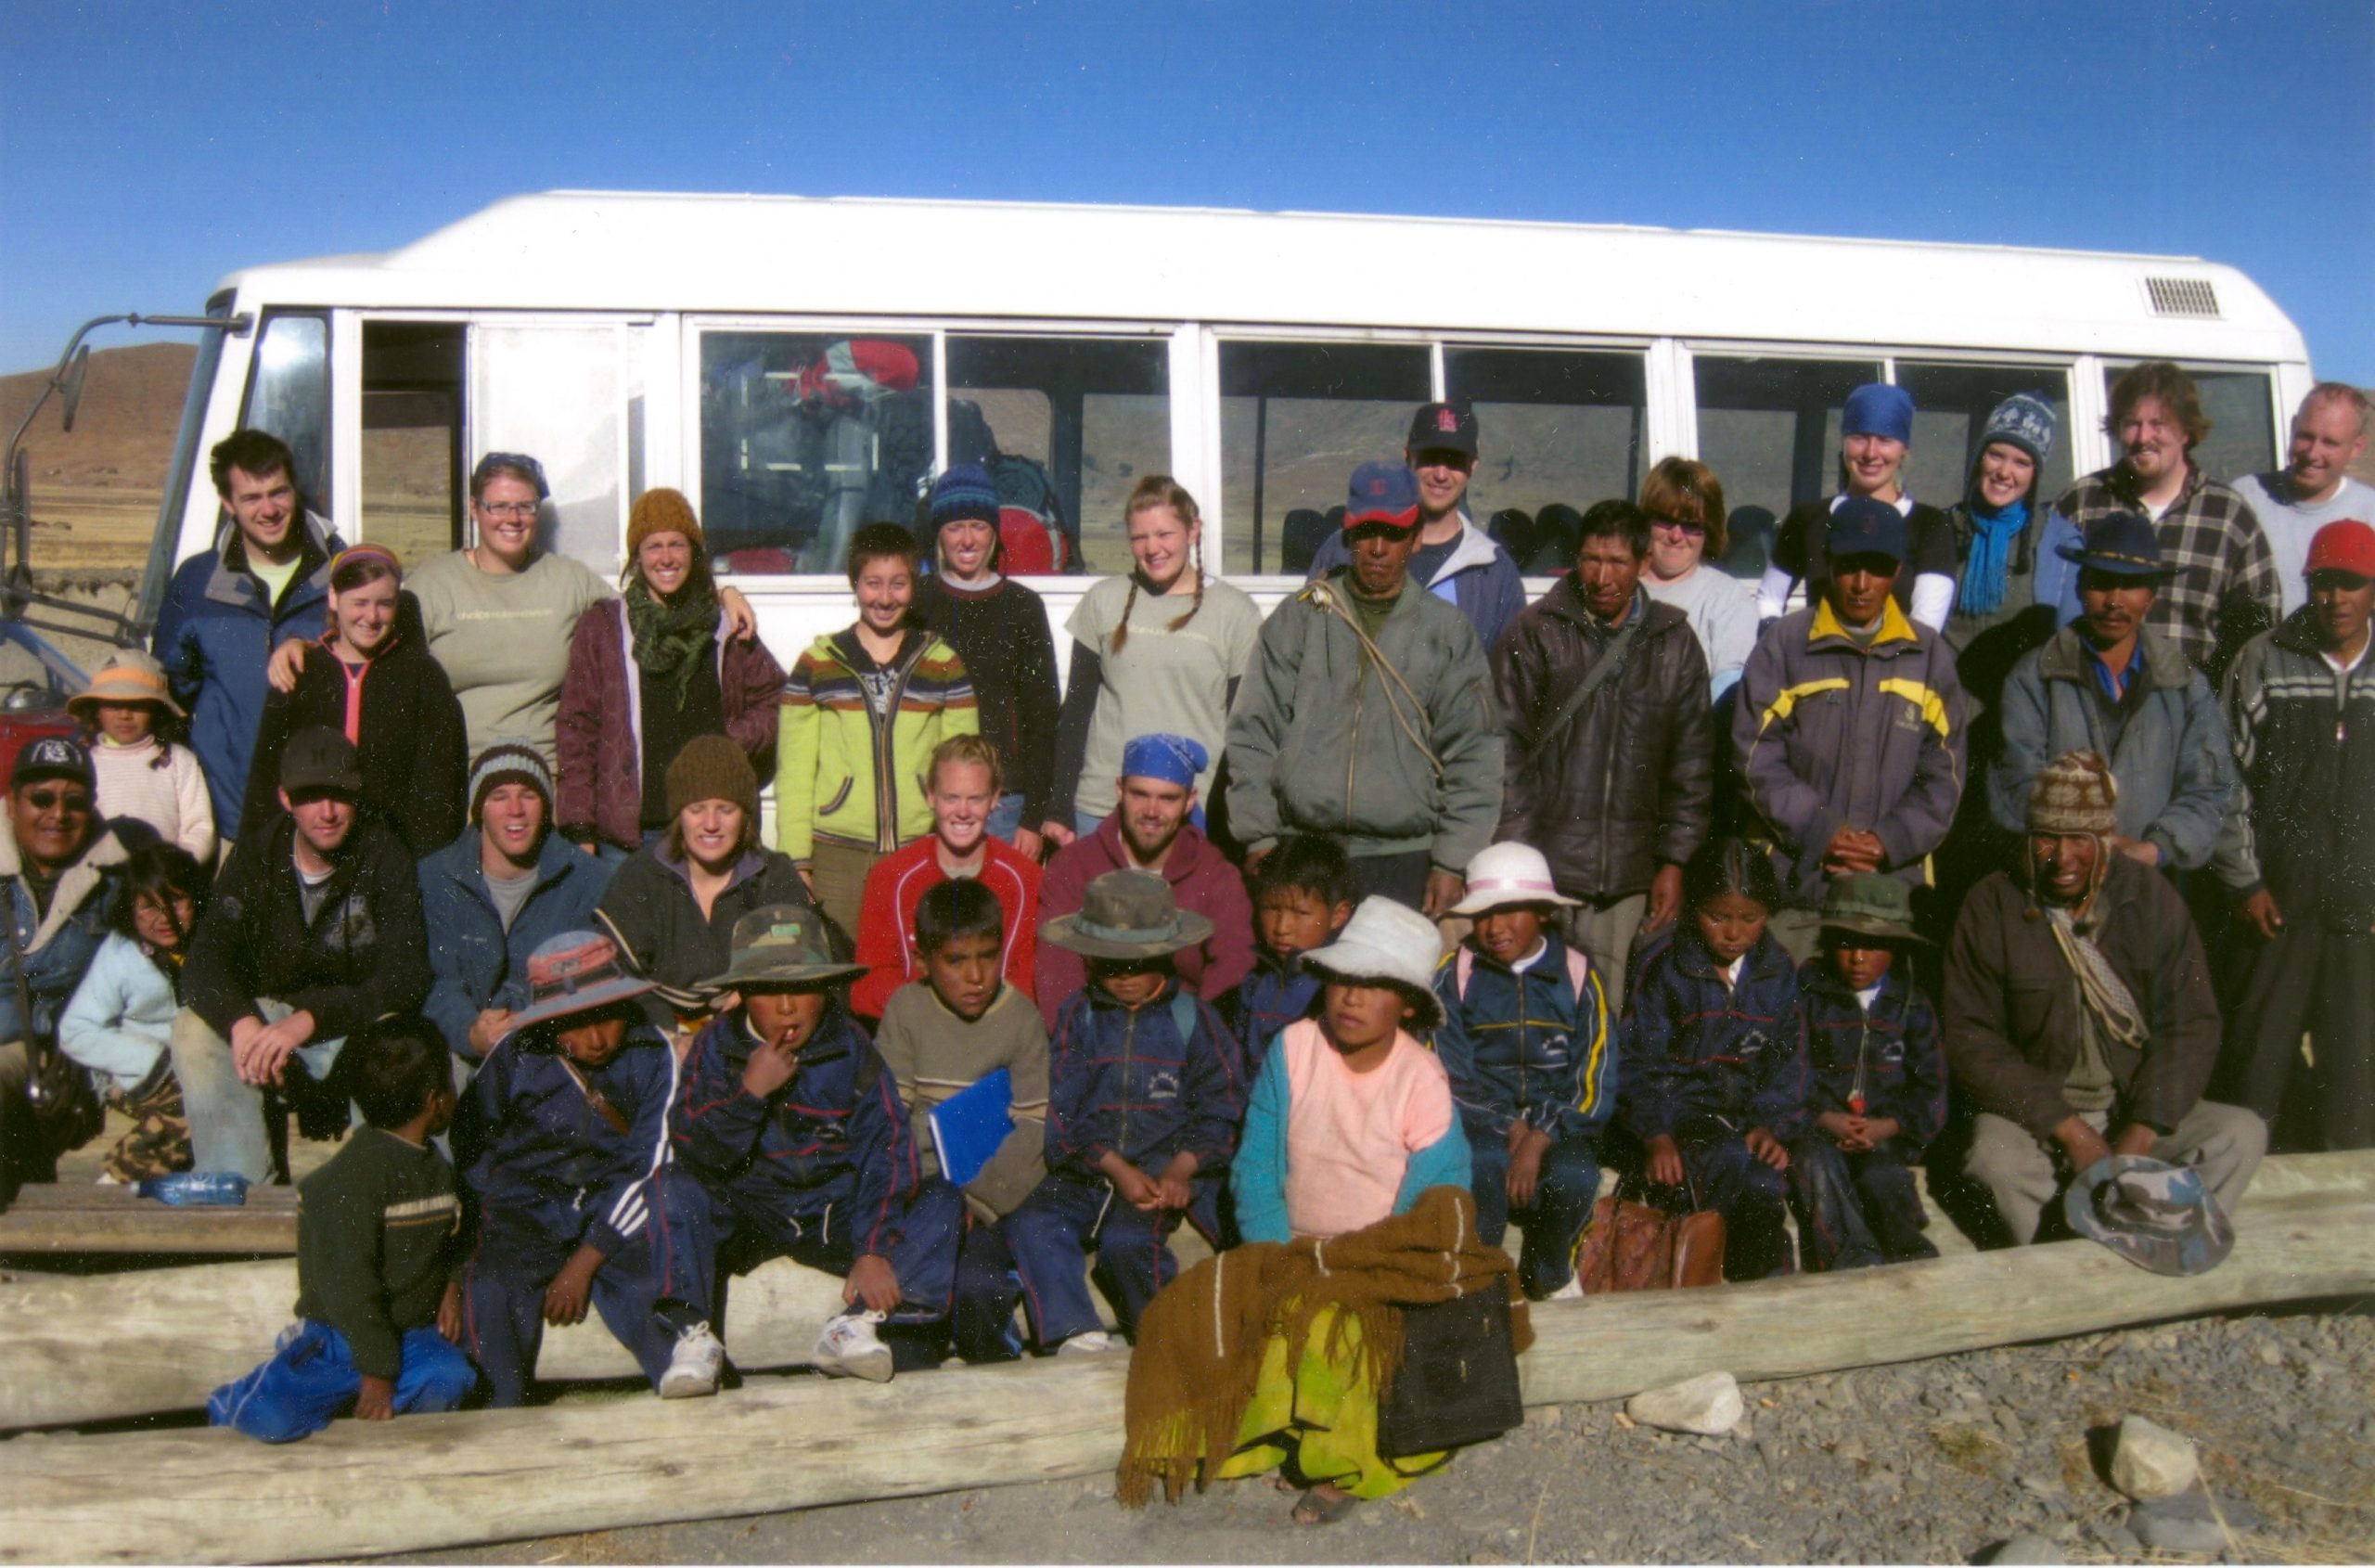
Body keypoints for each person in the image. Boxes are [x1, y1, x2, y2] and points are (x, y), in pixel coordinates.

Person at [1211, 895, 1476, 1523]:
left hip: (1379, 1254)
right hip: (1293, 1241)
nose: (1352, 999)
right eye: (1344, 981)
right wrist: (1274, 1251)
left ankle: (1344, 1463)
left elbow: (1436, 1195)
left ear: (1408, 1003)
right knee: (1255, 1317)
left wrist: (1363, 1265)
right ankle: (1284, 1433)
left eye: (1375, 986)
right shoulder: (1294, 1050)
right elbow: (1257, 1164)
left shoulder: (1421, 1080)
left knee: (1348, 1330)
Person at [1944, 751, 2266, 1245]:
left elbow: (2192, 1025)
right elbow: (1972, 1040)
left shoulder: (2149, 899)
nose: (2062, 857)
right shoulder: (1992, 905)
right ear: (2028, 839)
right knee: (1992, 1160)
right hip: (2040, 1117)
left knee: (2240, 1134)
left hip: (2132, 1106)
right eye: (2047, 839)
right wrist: (2070, 1131)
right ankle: (2072, 1260)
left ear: (2105, 840)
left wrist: (2141, 1131)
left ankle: (2150, 1241)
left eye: (2079, 839)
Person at [670, 906, 965, 1382]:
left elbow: (887, 1151)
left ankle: (853, 1328)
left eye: (803, 988)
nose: (787, 1006)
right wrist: (749, 1094)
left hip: (836, 1218)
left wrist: (872, 1250)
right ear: (743, 994)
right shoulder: (715, 1047)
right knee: (672, 1186)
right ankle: (690, 1338)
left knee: (943, 1198)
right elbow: (692, 1147)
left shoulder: (851, 1048)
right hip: (753, 1215)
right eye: (768, 991)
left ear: (826, 989)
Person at [453, 931, 722, 1405]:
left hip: (616, 1213)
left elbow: (651, 1165)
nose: (595, 1039)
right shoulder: (515, 1056)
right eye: (573, 1024)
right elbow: (475, 1146)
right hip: (524, 1211)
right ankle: (497, 1425)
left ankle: (693, 1420)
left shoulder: (652, 1052)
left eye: (607, 1018)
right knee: (492, 1293)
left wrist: (588, 1256)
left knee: (647, 1295)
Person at [1226, 462, 1505, 917]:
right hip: (1303, 853)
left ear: (1415, 538)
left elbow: (1476, 753)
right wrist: (1259, 836)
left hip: (1404, 861)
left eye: (1393, 533)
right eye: (1366, 532)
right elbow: (1253, 732)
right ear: (1349, 535)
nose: (1378, 548)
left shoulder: (1447, 631)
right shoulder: (1299, 619)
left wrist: (1453, 862)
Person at [173, 729, 431, 1185]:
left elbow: (405, 975)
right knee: (194, 1028)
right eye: (310, 796)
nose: (327, 812)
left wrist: (311, 1019)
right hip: (275, 1027)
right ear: (285, 798)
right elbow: (204, 962)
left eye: (339, 795)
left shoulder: (384, 853)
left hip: (356, 1026)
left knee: (398, 1033)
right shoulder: (259, 853)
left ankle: (372, 1191)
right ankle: (242, 1192)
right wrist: (242, 1022)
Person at [391, 453, 757, 765]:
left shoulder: (567, 580)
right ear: (474, 509)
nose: (513, 518)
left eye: (525, 506)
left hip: (545, 774)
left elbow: (644, 606)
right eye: (498, 506)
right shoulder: (432, 586)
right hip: (458, 772)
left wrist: (721, 593)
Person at [205, 1018, 474, 1442]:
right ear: (435, 1100)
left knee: (450, 1376)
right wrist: (378, 1372)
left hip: (409, 1336)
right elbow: (349, 1288)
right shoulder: (347, 1182)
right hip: (339, 1338)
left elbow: (458, 1237)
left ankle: (361, 1409)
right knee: (272, 1420)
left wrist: (452, 1286)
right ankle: (238, 1398)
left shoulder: (435, 1170)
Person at [1011, 869, 1242, 1353]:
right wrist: (1112, 1165)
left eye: (1137, 964)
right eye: (1111, 965)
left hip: (1158, 1182)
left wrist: (1182, 1169)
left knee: (1127, 1246)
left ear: (1166, 953)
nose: (1124, 978)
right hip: (1090, 1171)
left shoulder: (1196, 1021)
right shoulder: (1080, 1015)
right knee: (1034, 1224)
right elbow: (1064, 1115)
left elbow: (1223, 1111)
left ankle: (1170, 1344)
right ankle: (1075, 1336)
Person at [1492, 497, 1713, 1002]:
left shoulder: (1674, 643)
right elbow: (1504, 749)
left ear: (1642, 564)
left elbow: (1692, 765)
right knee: (1538, 1011)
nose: (1602, 576)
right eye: (1592, 558)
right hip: (1547, 871)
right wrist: (1522, 858)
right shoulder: (1535, 631)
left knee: (1608, 1016)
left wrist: (1674, 862)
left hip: (1629, 880)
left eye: (1617, 562)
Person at [1735, 496, 1966, 961]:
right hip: (1795, 885)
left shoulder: (1930, 656)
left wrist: (1889, 841)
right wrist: (1822, 832)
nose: (1861, 585)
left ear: (1898, 570)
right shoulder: (1786, 644)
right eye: (1849, 567)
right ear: (1829, 564)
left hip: (1890, 893)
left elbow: (1945, 773)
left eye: (1877, 568)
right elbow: (1754, 756)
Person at [2213, 521, 2375, 1150]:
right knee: (2257, 1071)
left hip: (2362, 915)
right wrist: (2246, 880)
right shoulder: (2266, 657)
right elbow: (2224, 777)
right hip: (2276, 906)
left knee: (2356, 1080)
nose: (2334, 599)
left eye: (2350, 584)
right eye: (2322, 584)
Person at [1990, 512, 2235, 873]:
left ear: (2151, 598)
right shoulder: (2035, 677)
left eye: (2132, 585)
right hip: (2057, 875)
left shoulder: (2184, 685)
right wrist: (2081, 846)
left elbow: (2209, 790)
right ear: (2080, 587)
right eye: (2101, 582)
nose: (2114, 601)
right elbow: (2015, 782)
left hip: (2151, 886)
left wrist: (2155, 849)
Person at [870, 878, 1051, 1365]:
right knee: (913, 1292)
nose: (976, 976)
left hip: (993, 1199)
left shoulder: (1021, 1020)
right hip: (923, 1197)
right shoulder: (907, 1010)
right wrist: (929, 1199)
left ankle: (997, 1380)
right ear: (924, 961)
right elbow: (891, 1121)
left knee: (979, 1285)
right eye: (955, 960)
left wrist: (979, 1199)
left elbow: (1033, 1129)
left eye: (988, 956)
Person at [556, 488, 785, 857]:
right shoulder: (604, 628)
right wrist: (580, 826)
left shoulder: (725, 624)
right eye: (653, 546)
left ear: (693, 551)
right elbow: (577, 730)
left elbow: (777, 701)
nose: (666, 558)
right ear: (638, 557)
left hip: (713, 828)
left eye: (676, 544)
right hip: (629, 837)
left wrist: (731, 739)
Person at [1619, 838, 1809, 1281]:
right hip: (1678, 1117)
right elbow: (1633, 1061)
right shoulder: (1666, 968)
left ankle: (1764, 1290)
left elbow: (1789, 1061)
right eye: (1717, 916)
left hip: (1744, 1117)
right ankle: (1696, 1281)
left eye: (1750, 918)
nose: (1733, 933)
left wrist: (1771, 1127)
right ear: (1692, 908)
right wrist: (1655, 1134)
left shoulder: (1776, 971)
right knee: (1720, 1161)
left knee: (1764, 1183)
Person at [777, 521, 979, 938]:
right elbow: (795, 771)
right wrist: (796, 858)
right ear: (854, 584)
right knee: (840, 967)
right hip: (837, 853)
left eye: (898, 584)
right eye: (873, 584)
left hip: (920, 846)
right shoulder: (817, 665)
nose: (885, 598)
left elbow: (964, 767)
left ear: (914, 585)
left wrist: (954, 847)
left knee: (917, 961)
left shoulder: (943, 664)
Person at [1431, 842, 1614, 1301]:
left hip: (1560, 1121)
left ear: (1543, 912)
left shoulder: (1577, 974)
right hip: (1483, 1121)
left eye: (1510, 911)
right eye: (1484, 914)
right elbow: (1445, 1070)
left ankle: (1548, 1269)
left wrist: (1540, 1133)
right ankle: (1482, 1274)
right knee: (1480, 1164)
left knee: (1575, 1175)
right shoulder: (1456, 973)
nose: (1494, 928)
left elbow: (1595, 1072)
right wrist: (1508, 1124)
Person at [152, 429, 345, 835]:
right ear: (228, 504)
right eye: (251, 498)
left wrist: (316, 648)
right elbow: (171, 690)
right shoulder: (196, 582)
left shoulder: (345, 572)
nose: (269, 509)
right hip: (227, 822)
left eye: (278, 492)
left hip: (324, 818)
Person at [1047, 476, 1262, 841]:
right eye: (1139, 538)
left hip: (1192, 813)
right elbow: (1077, 712)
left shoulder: (1236, 612)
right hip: (1100, 809)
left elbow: (1246, 730)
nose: (1152, 548)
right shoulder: (1103, 600)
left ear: (1193, 531)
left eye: (1164, 534)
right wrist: (1059, 808)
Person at [1932, 395, 2070, 933]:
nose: (2005, 471)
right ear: (1978, 457)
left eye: (2022, 461)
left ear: (2035, 473)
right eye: (1997, 455)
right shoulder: (1943, 529)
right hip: (1949, 720)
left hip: (2016, 728)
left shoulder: (2054, 540)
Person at [2050, 361, 2280, 679]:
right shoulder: (2081, 502)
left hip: (2190, 713)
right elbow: (2049, 610)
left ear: (2186, 431)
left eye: (2158, 423)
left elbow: (2258, 634)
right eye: (2132, 423)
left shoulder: (2228, 516)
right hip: (2092, 706)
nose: (2143, 437)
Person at [241, 545, 468, 858]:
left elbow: (440, 788)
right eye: (359, 602)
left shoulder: (422, 677)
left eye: (385, 604)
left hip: (395, 855)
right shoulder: (301, 671)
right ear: (334, 598)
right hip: (308, 852)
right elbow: (265, 779)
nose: (371, 617)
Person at [597, 735, 819, 1035]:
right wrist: (669, 1033)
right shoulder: (641, 874)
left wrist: (753, 993)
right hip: (656, 1031)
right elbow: (618, 974)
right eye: (696, 809)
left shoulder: (774, 874)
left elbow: (797, 963)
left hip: (750, 1028)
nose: (711, 823)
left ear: (745, 816)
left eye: (726, 809)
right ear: (679, 816)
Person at [1033, 732, 1253, 1029]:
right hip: (1093, 1036)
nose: (1152, 811)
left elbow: (1231, 969)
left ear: (1190, 801)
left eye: (1168, 798)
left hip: (1183, 1038)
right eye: (1140, 794)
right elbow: (1058, 975)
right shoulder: (1073, 866)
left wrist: (1191, 1042)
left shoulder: (1216, 875)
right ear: (1120, 790)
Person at [1786, 875, 1946, 1271]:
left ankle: (1910, 1256)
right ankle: (1851, 1257)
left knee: (1884, 1178)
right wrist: (1825, 1117)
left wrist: (1886, 1127)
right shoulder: (1806, 994)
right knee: (1817, 1166)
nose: (1858, 957)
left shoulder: (1909, 1004)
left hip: (1885, 1135)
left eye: (1873, 945)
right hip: (1817, 1130)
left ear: (1896, 948)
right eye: (1845, 943)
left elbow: (1931, 1088)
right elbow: (1789, 1068)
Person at [418, 745, 614, 1065]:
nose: (515, 809)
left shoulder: (588, 877)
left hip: (551, 1047)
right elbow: (438, 983)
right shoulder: (435, 877)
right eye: (498, 796)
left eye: (528, 795)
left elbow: (592, 982)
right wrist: (471, 1032)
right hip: (462, 1044)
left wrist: (525, 1023)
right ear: (479, 809)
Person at [0, 737, 135, 1194]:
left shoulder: (119, 876)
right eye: (41, 799)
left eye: (74, 802)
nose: (57, 815)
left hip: (75, 1057)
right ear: (13, 803)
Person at [914, 464, 1062, 856]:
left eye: (979, 526)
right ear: (938, 535)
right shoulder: (916, 602)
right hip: (925, 800)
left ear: (995, 533)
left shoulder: (1023, 607)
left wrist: (1033, 818)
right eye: (954, 527)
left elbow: (1043, 718)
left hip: (1004, 801)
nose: (967, 540)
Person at [1302, 403, 1528, 655]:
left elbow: (1506, 678)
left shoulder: (1493, 571)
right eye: (1430, 459)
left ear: (1472, 467)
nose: (1441, 474)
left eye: (1454, 461)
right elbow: (1307, 645)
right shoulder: (1343, 548)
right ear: (1408, 457)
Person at [850, 734, 1041, 1021]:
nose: (962, 812)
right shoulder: (890, 876)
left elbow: (1027, 980)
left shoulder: (1025, 878)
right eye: (951, 797)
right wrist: (934, 1011)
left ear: (995, 799)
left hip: (996, 1031)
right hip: (916, 1029)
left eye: (975, 799)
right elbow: (867, 985)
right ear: (931, 796)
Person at [58, 842, 210, 1184]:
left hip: (195, 1060)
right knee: (196, 1109)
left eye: (176, 900)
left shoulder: (207, 943)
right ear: (130, 909)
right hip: (134, 1069)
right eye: (149, 907)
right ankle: (117, 1177)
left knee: (214, 1103)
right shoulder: (121, 955)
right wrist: (151, 1059)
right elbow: (76, 1029)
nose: (165, 918)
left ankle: (140, 1187)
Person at [1762, 383, 1958, 632]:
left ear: (1904, 449)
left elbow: (1927, 623)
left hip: (1899, 665)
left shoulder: (1929, 524)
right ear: (1844, 442)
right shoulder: (1808, 518)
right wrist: (1778, 648)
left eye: (1885, 440)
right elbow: (1769, 598)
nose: (1871, 453)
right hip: (1818, 663)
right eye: (1860, 438)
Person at [2231, 385, 2375, 618]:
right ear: (2293, 427)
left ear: (2356, 448)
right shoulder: (2245, 498)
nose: (2312, 453)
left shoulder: (2370, 512)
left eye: (2330, 442)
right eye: (2306, 436)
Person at [1223, 833, 1354, 1074]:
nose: (1282, 928)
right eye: (1271, 909)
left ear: (1338, 915)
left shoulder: (1335, 990)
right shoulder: (1254, 984)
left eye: (1301, 913)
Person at [69, 649, 214, 864]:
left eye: (137, 705)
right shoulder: (83, 760)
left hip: (161, 875)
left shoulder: (178, 760)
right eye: (114, 704)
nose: (125, 715)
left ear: (157, 709)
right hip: (98, 874)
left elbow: (199, 826)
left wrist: (178, 866)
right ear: (97, 709)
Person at [1638, 456, 1759, 701]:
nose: (1676, 535)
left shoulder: (1728, 598)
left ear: (1710, 529)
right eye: (1665, 521)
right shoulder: (1614, 586)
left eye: (1691, 525)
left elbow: (1729, 686)